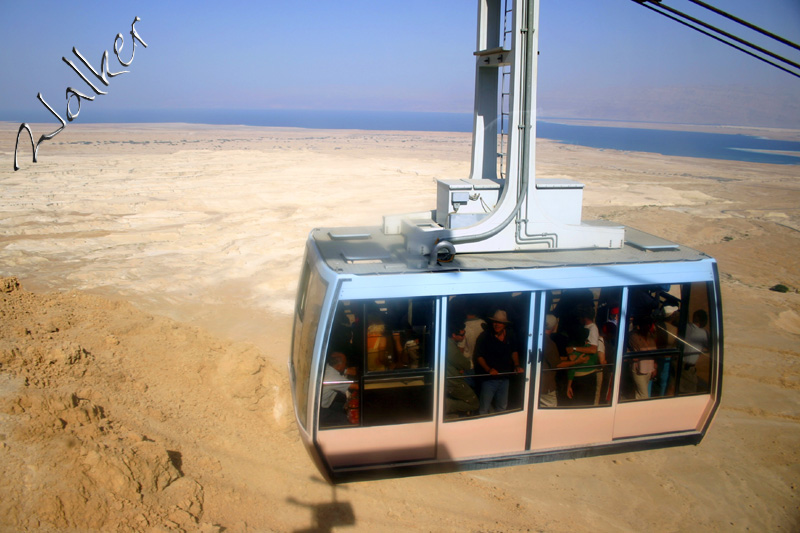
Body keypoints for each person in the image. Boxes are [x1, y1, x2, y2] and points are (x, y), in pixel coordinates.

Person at [474, 309, 524, 414]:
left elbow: (514, 351)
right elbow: (479, 356)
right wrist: (488, 369)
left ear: (505, 324)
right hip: (489, 379)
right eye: (495, 322)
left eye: (500, 322)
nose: (497, 325)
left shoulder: (510, 335)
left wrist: (517, 365)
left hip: (505, 377)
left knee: (502, 407)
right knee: (484, 408)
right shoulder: (484, 336)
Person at [445, 322, 479, 417]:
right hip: (453, 382)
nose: (464, 337)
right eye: (462, 335)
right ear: (453, 335)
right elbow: (464, 364)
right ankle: (447, 405)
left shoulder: (447, 343)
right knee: (474, 403)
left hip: (450, 380)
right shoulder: (450, 346)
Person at [320, 351, 357, 427]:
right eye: (345, 363)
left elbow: (348, 371)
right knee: (347, 420)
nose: (346, 365)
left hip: (320, 404)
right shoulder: (333, 377)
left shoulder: (327, 367)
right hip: (320, 411)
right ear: (339, 366)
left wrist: (347, 371)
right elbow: (356, 386)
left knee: (341, 404)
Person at [680, 309, 710, 394]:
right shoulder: (703, 333)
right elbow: (711, 347)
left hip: (676, 364)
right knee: (690, 393)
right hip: (687, 369)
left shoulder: (684, 326)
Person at [629, 316, 658, 399]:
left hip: (649, 368)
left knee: (639, 393)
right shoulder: (633, 336)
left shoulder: (651, 336)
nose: (648, 327)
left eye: (649, 324)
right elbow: (641, 350)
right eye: (646, 324)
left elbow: (654, 352)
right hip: (638, 369)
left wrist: (654, 367)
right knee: (644, 395)